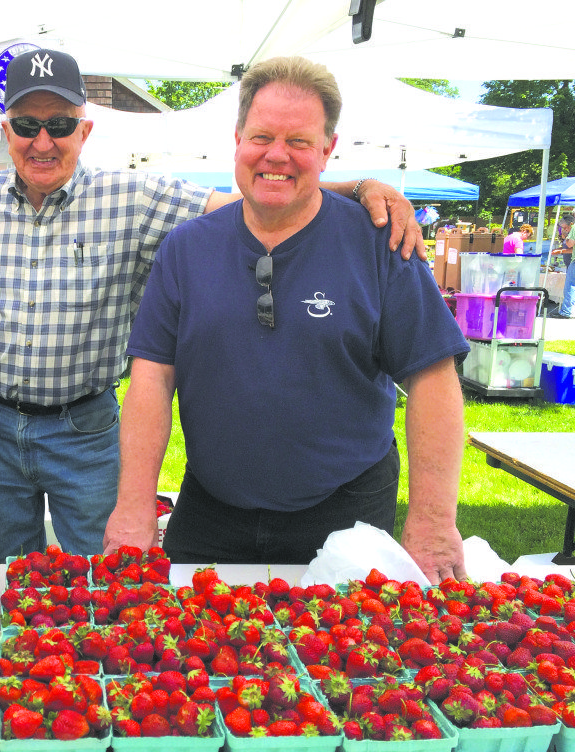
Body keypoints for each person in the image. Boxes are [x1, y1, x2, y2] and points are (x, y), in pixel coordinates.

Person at [0, 47, 428, 563]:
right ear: (7, 131)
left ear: (84, 132)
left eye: (61, 124)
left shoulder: (131, 196)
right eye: (26, 124)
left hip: (80, 429)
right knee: (2, 576)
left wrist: (358, 188)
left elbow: (259, 191)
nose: (43, 140)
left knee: (108, 577)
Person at [102, 56, 470, 584]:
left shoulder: (382, 242)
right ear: (236, 140)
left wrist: (434, 519)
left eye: (299, 141)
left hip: (347, 510)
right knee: (186, 657)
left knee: (350, 663)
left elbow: (433, 378)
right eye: (261, 137)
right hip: (210, 508)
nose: (276, 155)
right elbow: (152, 379)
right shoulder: (186, 249)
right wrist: (134, 504)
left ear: (327, 150)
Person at [550, 214, 575, 319]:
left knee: (570, 286)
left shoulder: (573, 229)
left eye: (565, 228)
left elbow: (570, 244)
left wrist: (566, 236)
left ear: (571, 224)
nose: (565, 230)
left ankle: (566, 311)